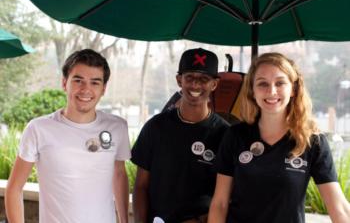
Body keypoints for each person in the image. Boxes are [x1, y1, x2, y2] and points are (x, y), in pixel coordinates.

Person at [208, 52, 350, 223]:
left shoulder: (312, 141)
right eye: (262, 84)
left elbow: (339, 207)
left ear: (293, 89)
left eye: (280, 83)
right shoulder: (235, 136)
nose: (272, 91)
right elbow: (220, 204)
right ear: (252, 91)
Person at [5, 49, 131, 223]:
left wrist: (124, 220)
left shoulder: (117, 127)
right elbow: (14, 188)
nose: (86, 89)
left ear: (103, 89)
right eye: (78, 81)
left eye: (95, 82)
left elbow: (119, 174)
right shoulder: (38, 128)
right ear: (65, 83)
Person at [131, 48, 230, 223]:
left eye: (204, 79)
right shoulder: (156, 127)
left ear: (214, 84)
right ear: (179, 80)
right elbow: (140, 186)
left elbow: (227, 197)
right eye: (189, 77)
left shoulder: (225, 134)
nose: (195, 85)